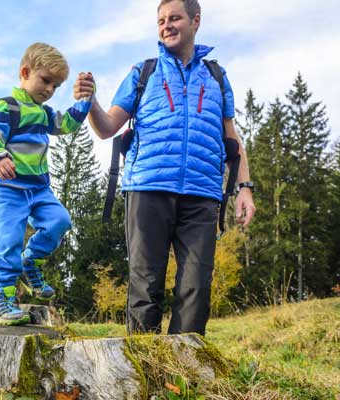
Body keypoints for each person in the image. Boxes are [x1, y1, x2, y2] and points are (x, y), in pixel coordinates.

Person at [74, 0, 256, 335]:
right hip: (147, 189)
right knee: (145, 287)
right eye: (160, 20)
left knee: (196, 289)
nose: (166, 26)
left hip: (202, 194)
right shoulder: (143, 73)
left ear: (195, 21)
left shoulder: (216, 76)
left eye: (174, 18)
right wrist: (90, 103)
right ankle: (143, 372)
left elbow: (233, 141)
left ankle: (184, 374)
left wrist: (244, 188)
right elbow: (106, 128)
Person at [0, 42, 92, 325]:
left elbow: (67, 125)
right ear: (25, 72)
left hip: (39, 189)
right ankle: (2, 299)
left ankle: (32, 263)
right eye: (46, 81)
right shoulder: (7, 106)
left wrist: (85, 100)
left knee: (60, 220)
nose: (49, 90)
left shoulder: (44, 114)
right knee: (8, 241)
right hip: (6, 189)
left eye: (56, 86)